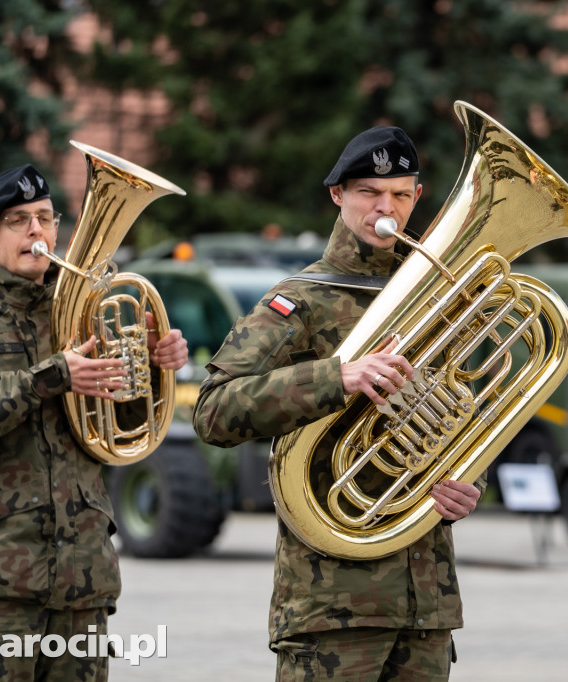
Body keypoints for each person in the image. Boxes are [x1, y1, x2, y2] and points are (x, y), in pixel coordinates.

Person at [193, 126, 483, 681]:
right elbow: (213, 411)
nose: (386, 207)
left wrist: (470, 479)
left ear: (417, 197)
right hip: (331, 607)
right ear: (338, 195)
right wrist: (337, 377)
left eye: (401, 193)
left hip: (427, 604)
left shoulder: (439, 296)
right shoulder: (298, 300)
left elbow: (466, 412)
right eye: (370, 192)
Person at [0, 163, 189, 681]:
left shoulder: (80, 315)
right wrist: (52, 375)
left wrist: (151, 368)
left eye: (46, 219)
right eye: (19, 221)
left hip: (82, 580)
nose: (37, 231)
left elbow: (122, 430)